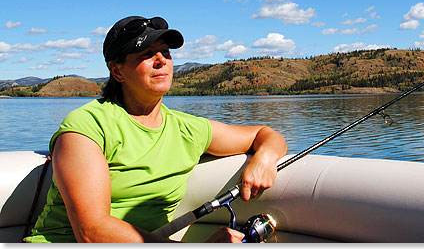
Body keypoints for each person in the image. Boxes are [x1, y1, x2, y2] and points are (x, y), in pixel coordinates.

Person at [25, 16, 287, 243]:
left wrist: (265, 157)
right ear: (117, 71)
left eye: (166, 52)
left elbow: (265, 134)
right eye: (146, 55)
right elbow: (92, 232)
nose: (161, 60)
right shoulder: (87, 126)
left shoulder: (187, 129)